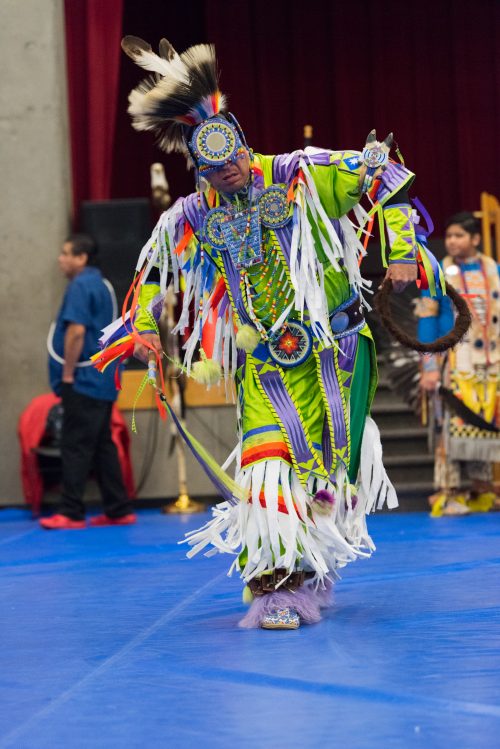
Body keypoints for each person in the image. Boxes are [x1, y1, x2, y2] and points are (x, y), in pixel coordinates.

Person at [97, 36, 439, 629]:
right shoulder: (192, 216)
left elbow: (384, 172)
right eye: (213, 168)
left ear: (244, 144)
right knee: (266, 472)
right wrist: (144, 327)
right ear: (198, 167)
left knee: (330, 474)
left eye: (233, 160)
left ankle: (316, 564)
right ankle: (279, 590)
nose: (228, 173)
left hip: (335, 356)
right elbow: (152, 273)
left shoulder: (301, 174)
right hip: (266, 367)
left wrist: (404, 248)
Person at [40, 234, 136, 529]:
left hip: (83, 379)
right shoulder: (104, 285)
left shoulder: (81, 285)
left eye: (66, 253)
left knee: (75, 444)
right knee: (101, 444)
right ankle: (118, 508)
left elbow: (76, 332)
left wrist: (67, 374)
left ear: (81, 258)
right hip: (104, 379)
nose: (60, 259)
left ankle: (70, 511)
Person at [418, 213, 500, 517]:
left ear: (475, 239)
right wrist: (428, 366)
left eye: (459, 235)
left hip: (490, 361)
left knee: (486, 424)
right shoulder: (438, 273)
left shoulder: (495, 271)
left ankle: (481, 489)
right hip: (452, 360)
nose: (452, 241)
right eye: (449, 236)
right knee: (449, 426)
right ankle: (447, 491)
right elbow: (427, 320)